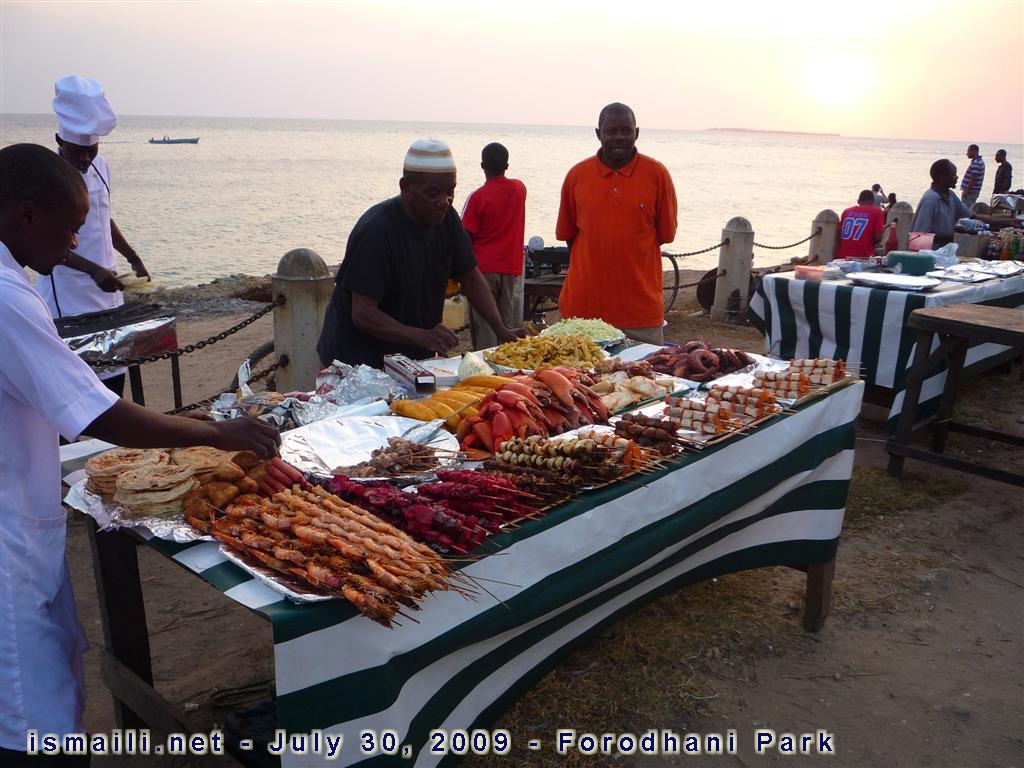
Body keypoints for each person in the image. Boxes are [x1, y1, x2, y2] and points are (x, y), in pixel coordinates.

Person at [0, 143, 280, 767]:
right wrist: (213, 433)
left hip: (21, 514)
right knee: (34, 724)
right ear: (25, 215)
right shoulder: (7, 297)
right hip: (7, 545)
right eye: (70, 229)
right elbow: (98, 413)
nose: (74, 245)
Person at [316, 139, 523, 368]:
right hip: (356, 358)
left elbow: (470, 276)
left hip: (411, 355)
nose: (443, 202)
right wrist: (422, 336)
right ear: (405, 187)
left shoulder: (448, 220)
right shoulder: (376, 231)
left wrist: (501, 329)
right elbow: (363, 313)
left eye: (450, 191)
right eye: (433, 193)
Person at [36, 76, 149, 398]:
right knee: (73, 386)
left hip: (108, 288)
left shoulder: (101, 167)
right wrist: (93, 270)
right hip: (68, 296)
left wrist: (132, 257)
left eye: (91, 150)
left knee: (113, 382)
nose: (86, 159)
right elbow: (45, 244)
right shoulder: (48, 177)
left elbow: (102, 216)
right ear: (60, 140)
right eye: (78, 152)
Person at [555, 103, 678, 345]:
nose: (619, 137)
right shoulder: (576, 176)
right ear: (598, 133)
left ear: (637, 132)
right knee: (579, 381)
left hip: (640, 314)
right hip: (582, 313)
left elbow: (665, 234)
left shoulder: (657, 174)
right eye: (611, 131)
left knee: (645, 381)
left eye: (626, 130)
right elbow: (569, 235)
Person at [460, 142, 527, 350]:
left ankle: (486, 365)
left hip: (483, 269)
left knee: (485, 326)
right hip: (510, 267)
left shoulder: (478, 197)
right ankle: (508, 364)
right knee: (507, 324)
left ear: (482, 165)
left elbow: (464, 237)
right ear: (506, 165)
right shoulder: (519, 189)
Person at [911, 159, 973, 246]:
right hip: (930, 254)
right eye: (953, 174)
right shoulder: (930, 200)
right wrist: (953, 236)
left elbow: (971, 216)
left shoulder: (951, 196)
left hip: (945, 252)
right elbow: (919, 237)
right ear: (943, 177)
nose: (957, 177)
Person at [836, 190, 886, 259]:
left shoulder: (846, 211)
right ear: (872, 201)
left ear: (858, 201)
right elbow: (878, 238)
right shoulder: (877, 212)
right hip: (863, 257)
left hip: (842, 257)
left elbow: (839, 234)